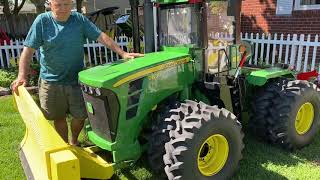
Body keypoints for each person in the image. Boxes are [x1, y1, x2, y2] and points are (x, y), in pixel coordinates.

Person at [11, 0, 143, 146]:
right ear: (51, 4)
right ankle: (64, 145)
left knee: (80, 115)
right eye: (58, 5)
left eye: (66, 4)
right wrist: (21, 75)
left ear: (72, 4)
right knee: (58, 117)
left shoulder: (79, 20)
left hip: (75, 80)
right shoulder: (42, 21)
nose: (62, 9)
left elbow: (101, 36)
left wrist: (123, 53)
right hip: (51, 81)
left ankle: (73, 141)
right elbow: (28, 50)